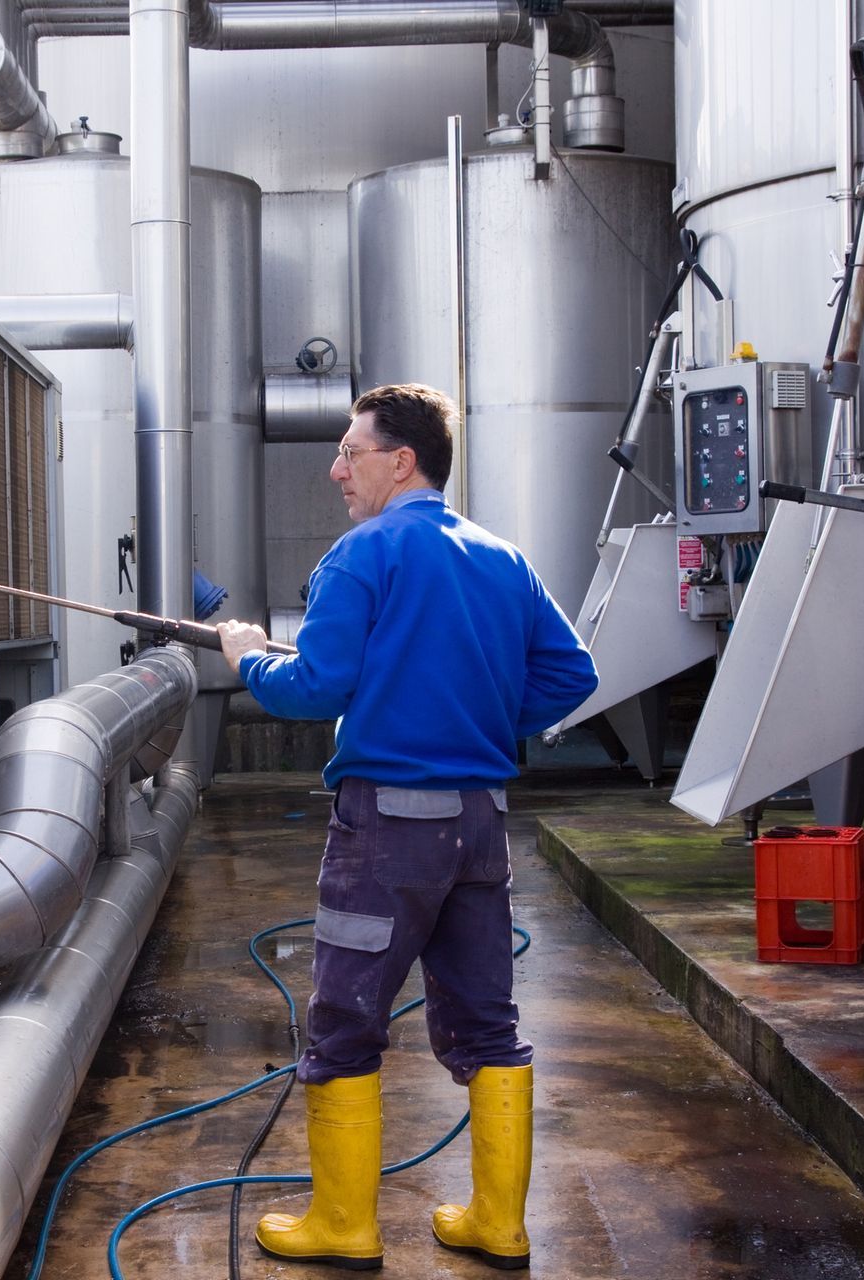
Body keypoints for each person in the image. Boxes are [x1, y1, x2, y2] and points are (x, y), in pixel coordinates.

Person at [216, 382, 598, 1272]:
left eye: (352, 451)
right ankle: (498, 1224)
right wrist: (486, 716)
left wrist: (244, 658)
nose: (336, 467)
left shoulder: (362, 555)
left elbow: (313, 687)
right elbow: (573, 677)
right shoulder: (502, 559)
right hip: (481, 827)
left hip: (387, 830)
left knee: (345, 1022)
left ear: (402, 461)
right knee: (492, 1027)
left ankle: (345, 1226)